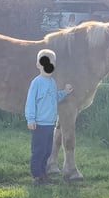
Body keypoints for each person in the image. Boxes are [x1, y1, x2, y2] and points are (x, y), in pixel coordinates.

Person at [25, 49, 73, 185]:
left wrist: (65, 92)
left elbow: (54, 97)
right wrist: (31, 119)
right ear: (38, 65)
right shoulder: (37, 82)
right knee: (38, 150)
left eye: (51, 62)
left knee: (47, 151)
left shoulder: (52, 82)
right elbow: (30, 102)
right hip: (39, 124)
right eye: (45, 62)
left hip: (49, 124)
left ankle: (43, 173)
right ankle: (37, 176)